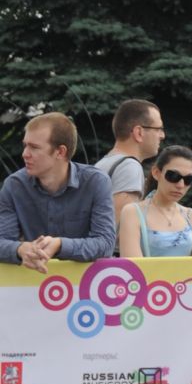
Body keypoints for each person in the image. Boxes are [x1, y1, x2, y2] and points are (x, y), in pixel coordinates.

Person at [0, 114, 115, 271]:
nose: (25, 153)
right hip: (29, 284)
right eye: (25, 145)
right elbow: (2, 241)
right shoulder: (14, 185)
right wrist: (20, 249)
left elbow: (105, 243)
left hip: (84, 286)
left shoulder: (95, 182)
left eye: (34, 147)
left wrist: (59, 244)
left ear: (60, 152)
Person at [118, 144, 192, 258]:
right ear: (156, 173)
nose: (180, 185)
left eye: (188, 179)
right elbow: (134, 267)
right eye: (173, 176)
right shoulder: (132, 212)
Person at [94, 98, 165, 230]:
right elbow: (120, 230)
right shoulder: (129, 167)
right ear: (139, 132)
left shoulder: (103, 163)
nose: (162, 135)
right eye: (158, 129)